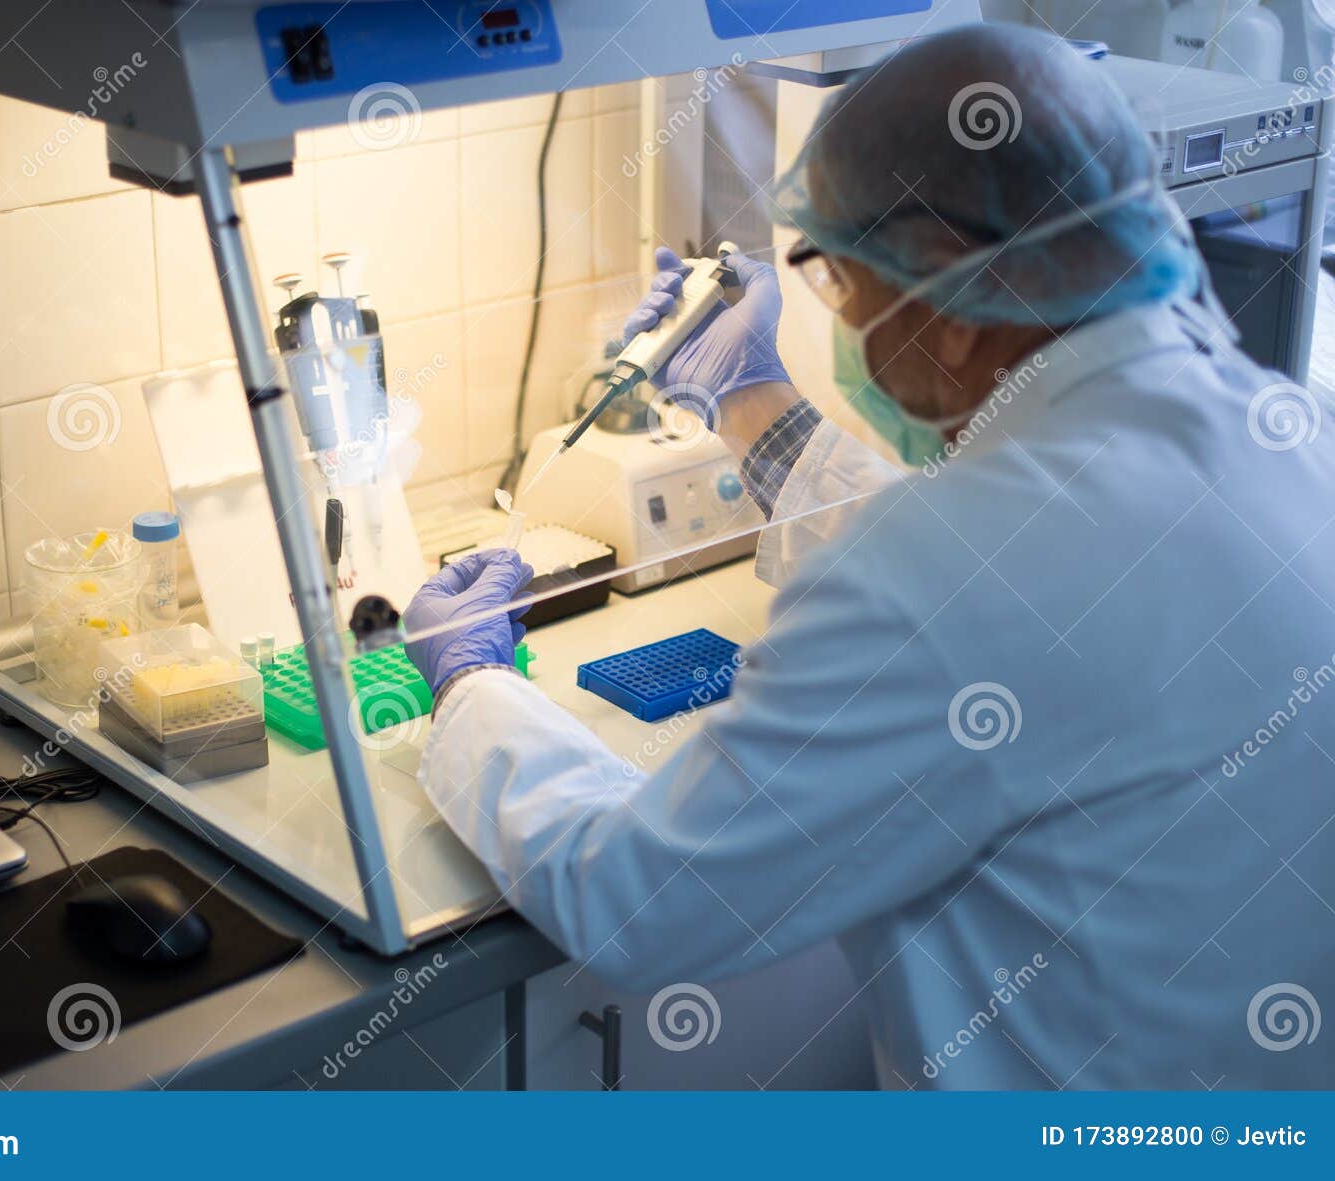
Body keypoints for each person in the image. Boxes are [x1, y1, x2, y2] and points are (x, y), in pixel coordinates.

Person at [403, 23, 1335, 1088]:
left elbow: (639, 900)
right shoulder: (1289, 431)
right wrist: (754, 407)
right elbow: (1022, 576)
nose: (842, 324)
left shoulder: (951, 571)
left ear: (943, 295)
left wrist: (472, 684)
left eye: (841, 286)